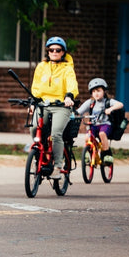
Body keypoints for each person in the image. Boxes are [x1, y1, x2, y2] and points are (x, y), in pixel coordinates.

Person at [30, 36, 79, 176]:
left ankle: (58, 166)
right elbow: (36, 86)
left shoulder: (67, 68)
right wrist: (34, 101)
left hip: (61, 106)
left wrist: (69, 96)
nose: (54, 52)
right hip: (43, 104)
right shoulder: (41, 67)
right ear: (48, 52)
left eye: (58, 50)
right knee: (34, 128)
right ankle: (40, 154)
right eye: (51, 50)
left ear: (63, 52)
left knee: (56, 134)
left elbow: (72, 84)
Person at [77, 77, 123, 165]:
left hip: (105, 125)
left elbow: (120, 104)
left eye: (98, 91)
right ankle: (87, 154)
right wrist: (74, 114)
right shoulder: (90, 102)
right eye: (93, 91)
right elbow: (79, 111)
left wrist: (111, 109)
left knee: (102, 134)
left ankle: (106, 155)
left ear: (104, 91)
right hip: (94, 125)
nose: (96, 93)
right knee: (87, 137)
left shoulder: (108, 101)